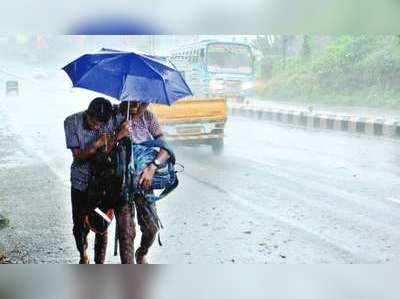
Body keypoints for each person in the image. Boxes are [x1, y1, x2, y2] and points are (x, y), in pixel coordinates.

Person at [64, 97, 126, 264]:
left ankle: (100, 262)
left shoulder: (112, 118)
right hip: (81, 181)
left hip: (103, 183)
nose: (97, 126)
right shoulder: (71, 122)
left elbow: (131, 109)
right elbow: (79, 157)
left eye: (101, 124)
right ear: (87, 114)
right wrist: (98, 143)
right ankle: (83, 253)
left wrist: (121, 132)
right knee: (79, 223)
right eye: (94, 122)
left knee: (101, 223)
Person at [115, 101, 170, 264]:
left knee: (151, 228)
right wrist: (119, 134)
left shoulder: (148, 117)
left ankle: (142, 252)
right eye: (132, 101)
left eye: (141, 102)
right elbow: (103, 147)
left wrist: (152, 167)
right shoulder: (114, 116)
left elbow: (165, 148)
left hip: (143, 183)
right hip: (120, 184)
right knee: (126, 233)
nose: (136, 105)